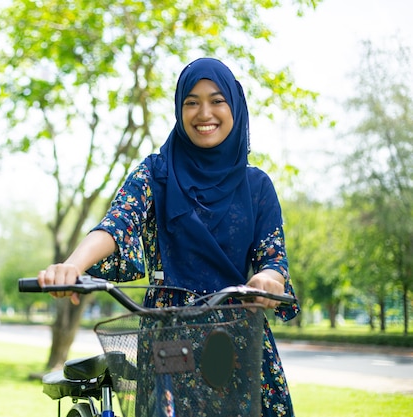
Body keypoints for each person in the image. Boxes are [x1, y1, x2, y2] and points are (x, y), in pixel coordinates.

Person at [38, 57, 300, 417]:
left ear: (235, 107)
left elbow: (274, 260)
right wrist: (71, 266)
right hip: (169, 341)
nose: (203, 112)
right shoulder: (155, 173)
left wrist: (267, 281)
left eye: (216, 100)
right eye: (191, 102)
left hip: (237, 338)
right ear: (179, 110)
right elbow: (117, 223)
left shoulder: (257, 187)